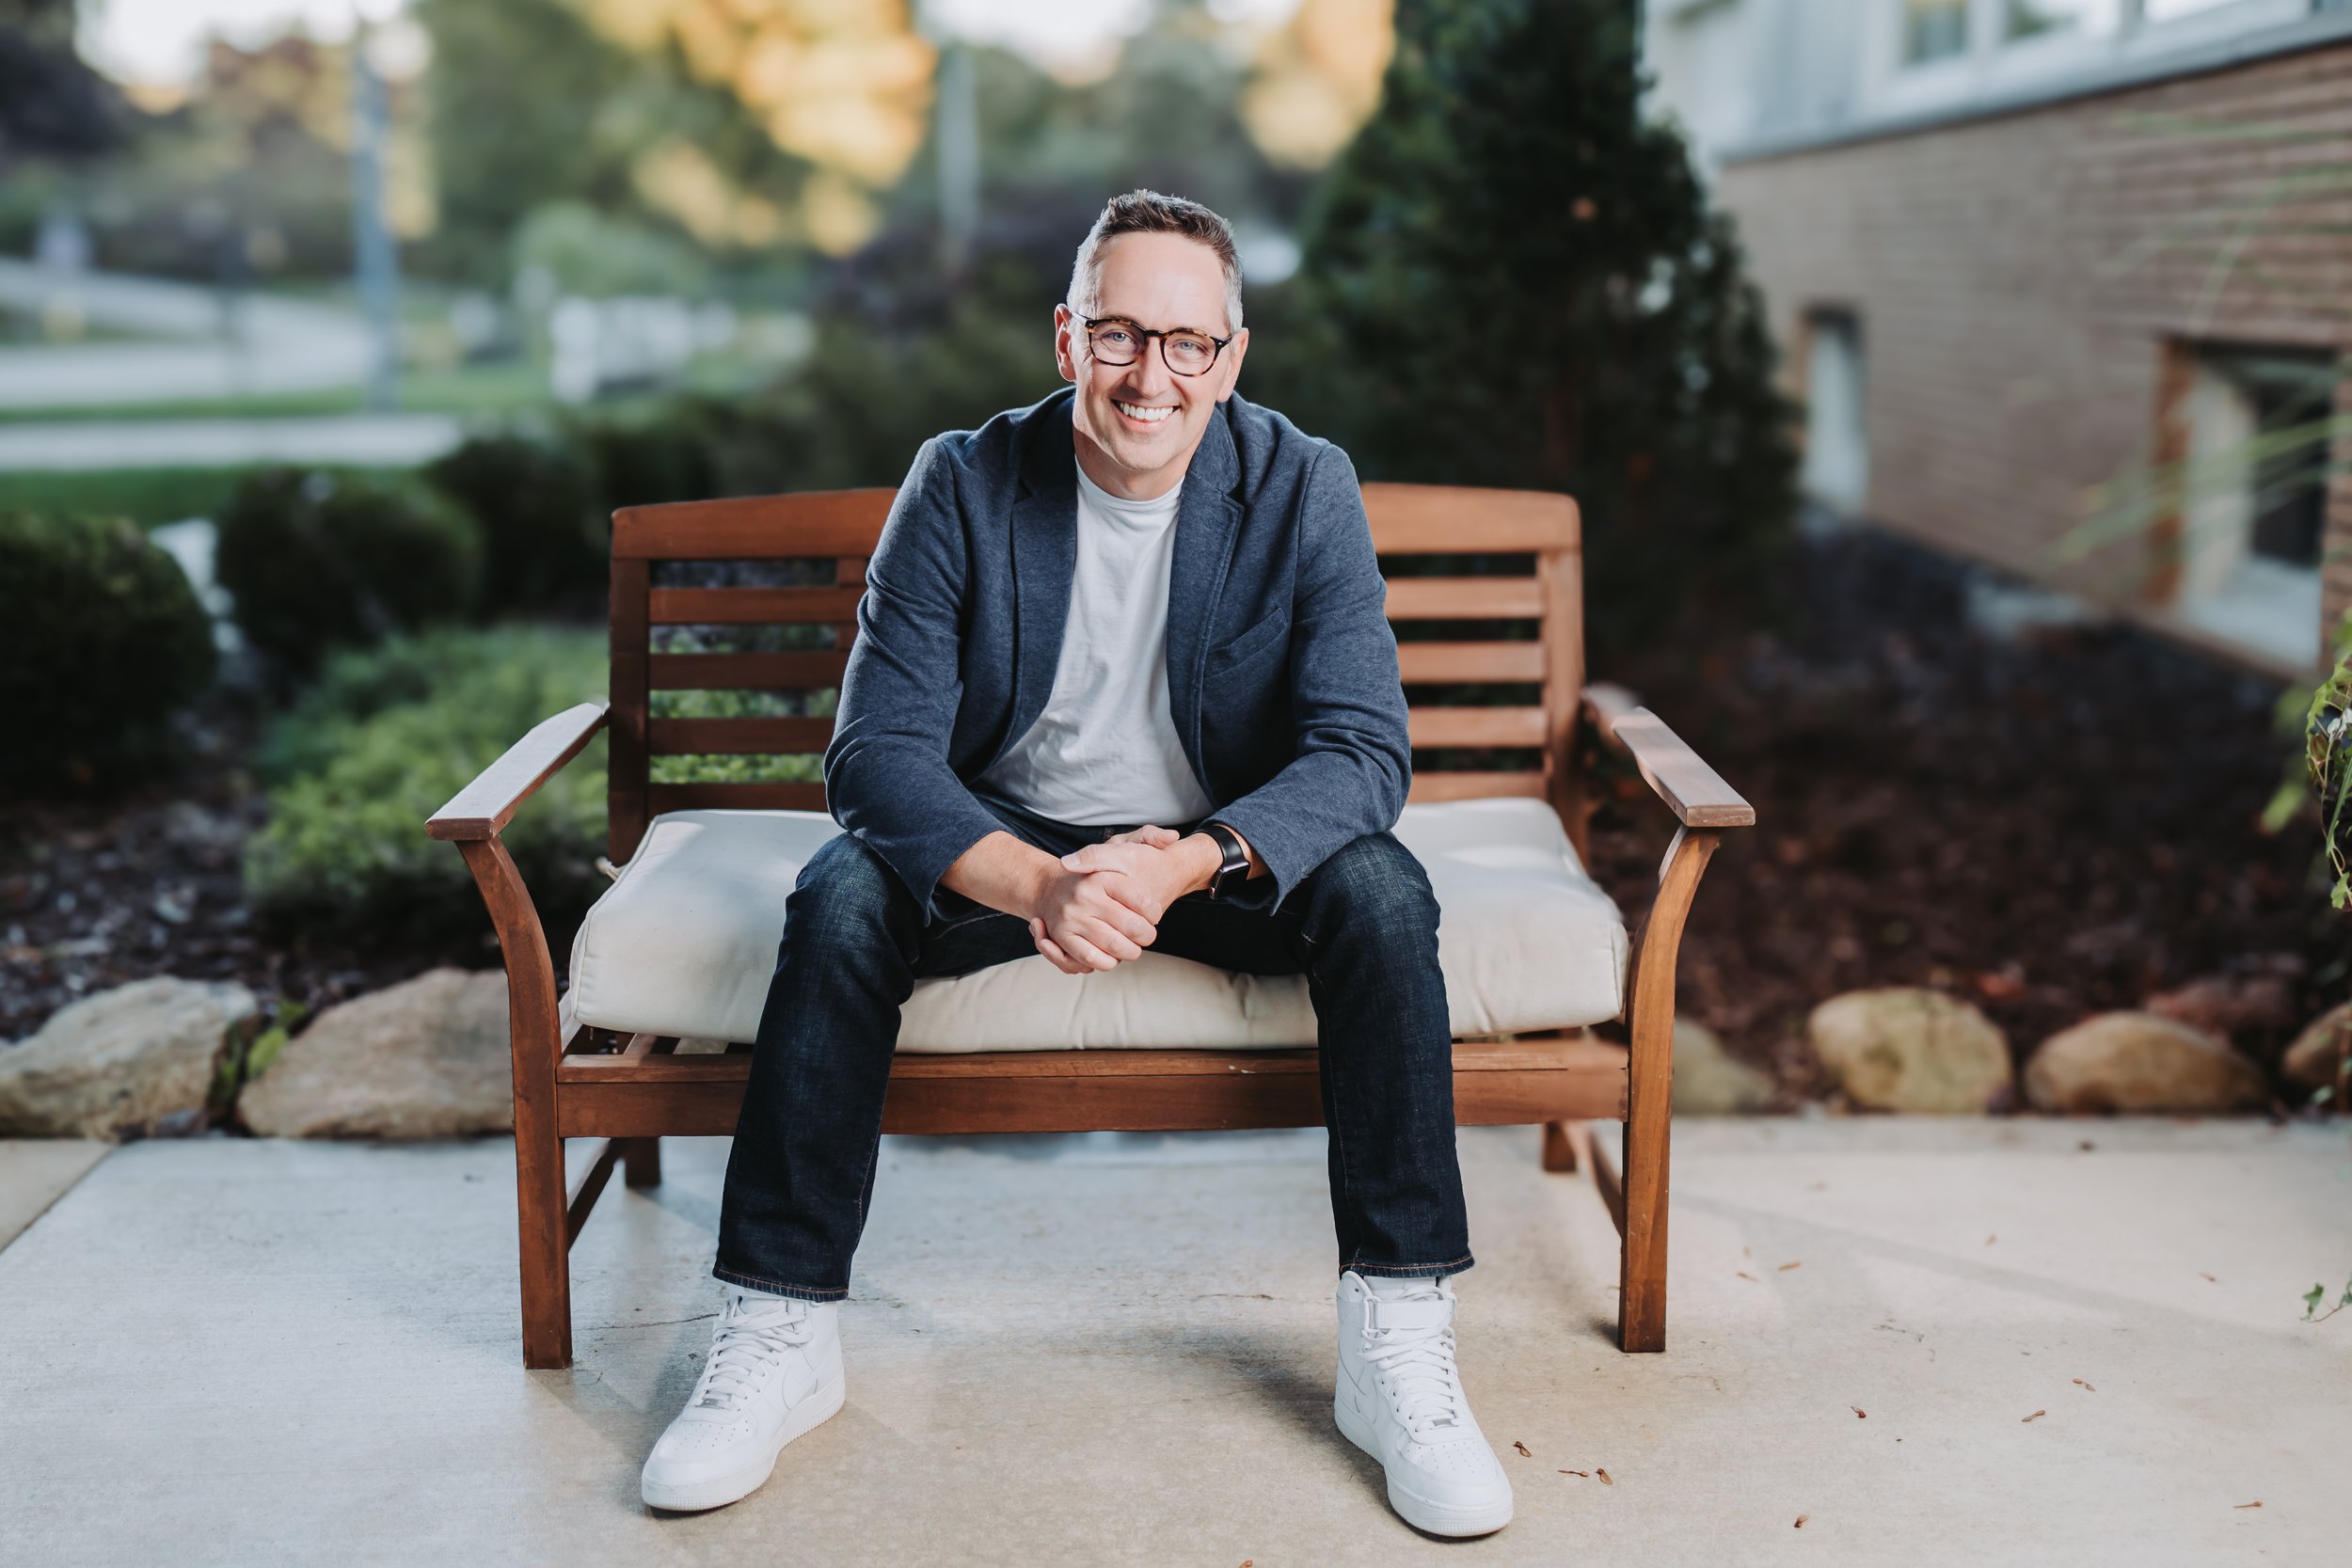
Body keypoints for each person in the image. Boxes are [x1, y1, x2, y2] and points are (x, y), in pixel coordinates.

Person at [639, 189, 1513, 1537]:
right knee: (842, 892)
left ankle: (1398, 1339)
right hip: (1015, 845)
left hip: (1214, 849)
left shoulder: (1299, 485)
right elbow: (874, 758)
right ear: (1065, 340)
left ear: (1232, 358)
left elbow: (1360, 752)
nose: (1149, 375)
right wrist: (1042, 883)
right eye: (1117, 336)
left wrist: (1190, 862)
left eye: (1185, 343)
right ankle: (779, 1328)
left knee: (1385, 891)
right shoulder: (964, 479)